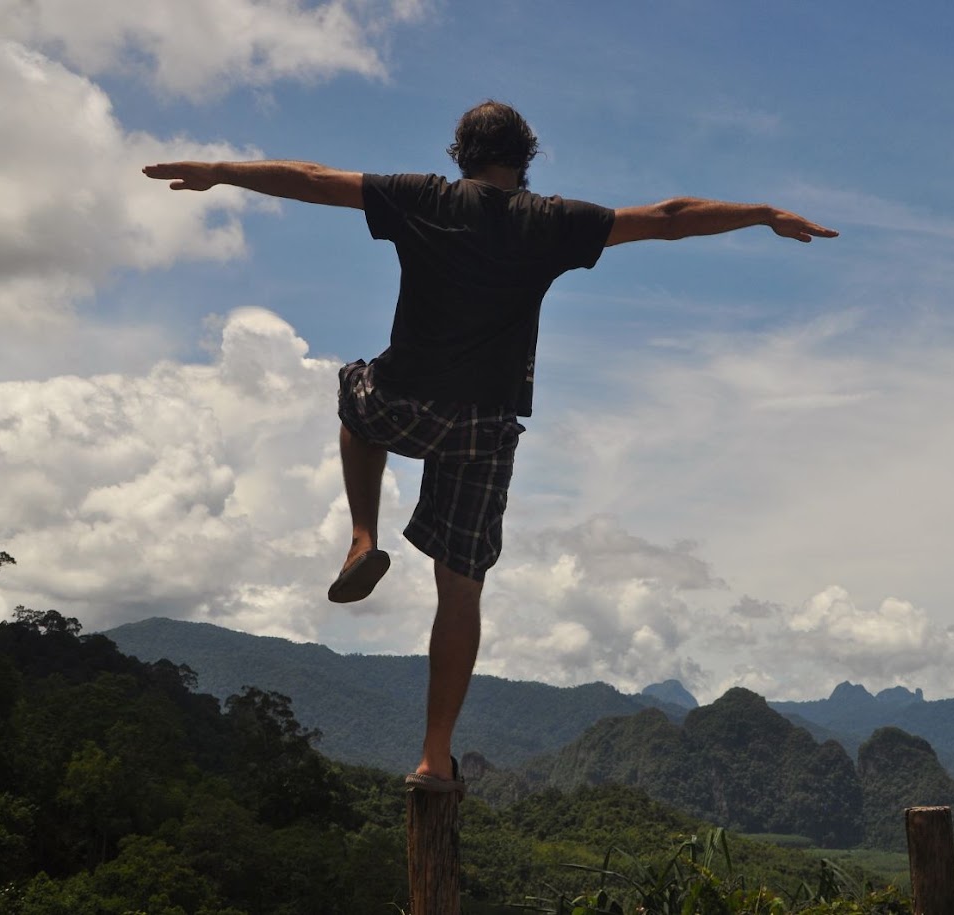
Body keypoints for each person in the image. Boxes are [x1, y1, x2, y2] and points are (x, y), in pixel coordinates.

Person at [143, 100, 837, 793]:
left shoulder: (422, 198)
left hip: (402, 402)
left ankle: (361, 536)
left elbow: (312, 176)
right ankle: (431, 757)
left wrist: (219, 172)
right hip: (483, 428)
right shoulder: (550, 222)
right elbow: (667, 217)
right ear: (525, 156)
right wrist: (761, 212)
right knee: (460, 590)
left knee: (354, 395)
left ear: (460, 152)